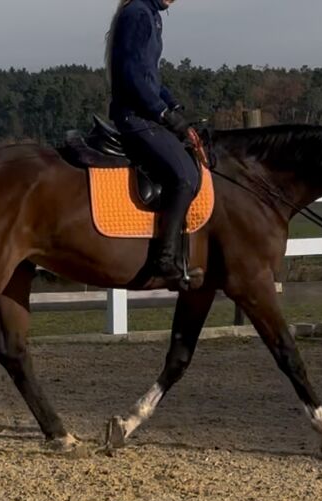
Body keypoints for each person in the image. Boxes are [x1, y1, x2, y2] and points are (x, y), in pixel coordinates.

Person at [106, 0, 202, 289]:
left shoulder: (150, 14)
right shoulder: (138, 14)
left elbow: (150, 76)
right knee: (184, 176)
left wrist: (172, 105)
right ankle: (164, 259)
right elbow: (132, 75)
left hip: (146, 113)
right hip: (136, 117)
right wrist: (162, 113)